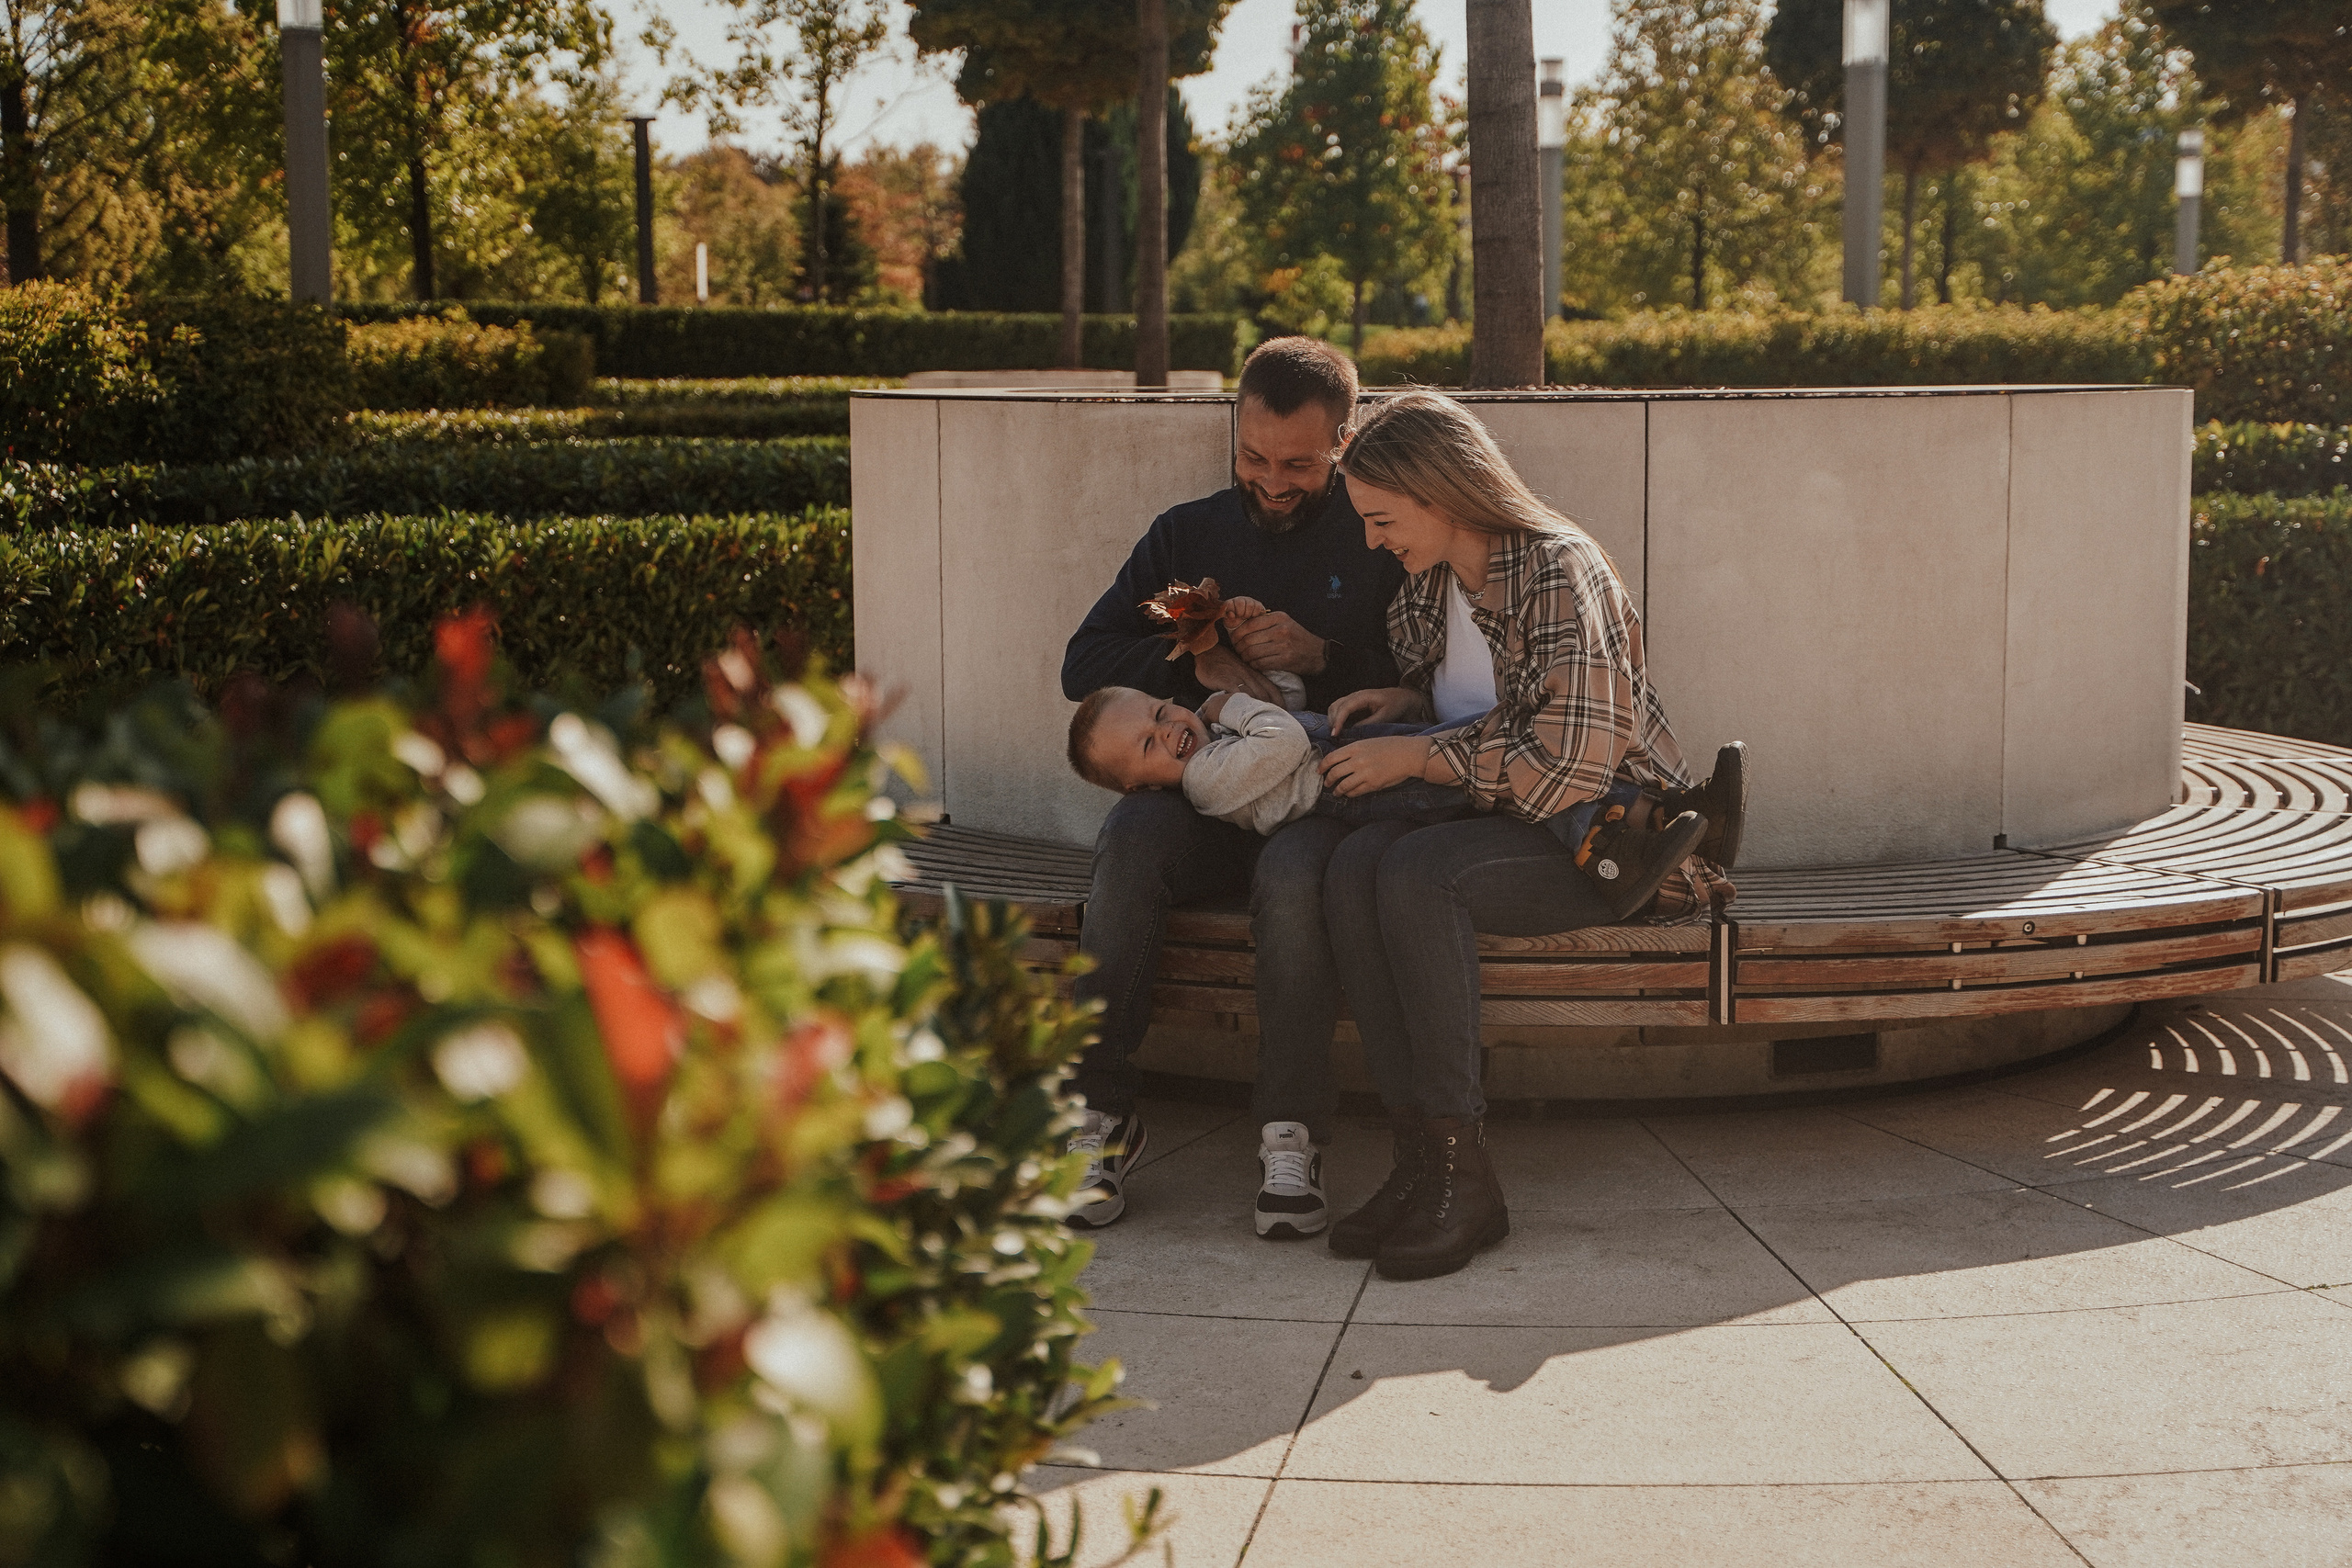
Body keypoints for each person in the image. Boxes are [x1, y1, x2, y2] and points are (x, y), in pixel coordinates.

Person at [1313, 389, 1738, 1282]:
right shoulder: (1438, 580)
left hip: (1606, 842)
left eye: (1382, 518)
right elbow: (1488, 707)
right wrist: (1409, 708)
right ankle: (1418, 1162)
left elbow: (1575, 760)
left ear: (1440, 496)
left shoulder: (1555, 570)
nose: (1370, 540)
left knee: (1419, 873)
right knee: (1353, 864)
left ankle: (1465, 1179)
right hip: (1508, 822)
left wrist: (1418, 759)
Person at [1059, 336, 1404, 1238]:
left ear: (1345, 440)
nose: (1272, 480)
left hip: (1315, 802)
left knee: (1294, 882)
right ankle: (1098, 1113)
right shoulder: (1188, 533)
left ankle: (1291, 1134)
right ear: (1234, 433)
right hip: (1203, 803)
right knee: (1129, 839)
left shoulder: (1376, 535)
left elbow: (1430, 682)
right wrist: (1197, 652)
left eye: (1298, 462)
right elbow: (1083, 665)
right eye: (1252, 457)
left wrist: (1322, 657)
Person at [1066, 686, 1472, 834]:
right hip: (1347, 790)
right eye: (1148, 745)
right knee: (1460, 781)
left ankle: (1516, 736)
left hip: (1344, 754)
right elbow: (1285, 743)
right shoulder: (1205, 782)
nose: (1168, 730)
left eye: (1158, 713)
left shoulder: (1212, 745)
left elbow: (1285, 703)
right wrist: (1230, 705)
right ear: (1143, 787)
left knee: (1461, 742)